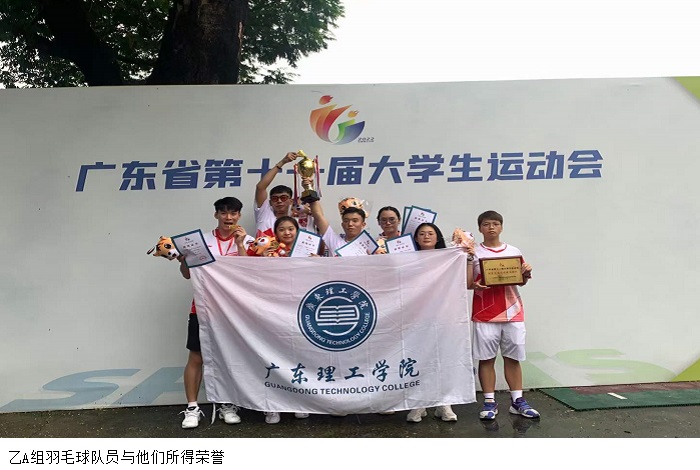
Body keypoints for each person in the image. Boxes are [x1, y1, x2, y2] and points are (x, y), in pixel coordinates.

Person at [178, 196, 252, 429]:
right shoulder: (201, 241)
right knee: (196, 357)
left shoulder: (248, 240)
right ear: (216, 215)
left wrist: (240, 245)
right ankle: (192, 407)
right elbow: (187, 274)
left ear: (239, 215)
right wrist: (184, 260)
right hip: (202, 306)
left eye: (233, 213)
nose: (228, 217)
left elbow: (250, 274)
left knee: (229, 356)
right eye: (224, 212)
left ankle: (226, 403)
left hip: (232, 309)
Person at [470, 210, 539, 421]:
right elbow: (467, 283)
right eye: (486, 224)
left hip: (512, 312)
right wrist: (474, 284)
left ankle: (517, 401)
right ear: (480, 228)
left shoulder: (513, 251)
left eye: (495, 223)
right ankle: (489, 401)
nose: (491, 227)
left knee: (513, 358)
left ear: (501, 227)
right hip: (485, 313)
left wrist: (526, 273)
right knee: (486, 359)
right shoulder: (473, 252)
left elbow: (521, 280)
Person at [404, 222, 474, 423]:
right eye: (422, 233)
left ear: (437, 237)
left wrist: (468, 257)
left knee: (443, 358)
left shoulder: (448, 258)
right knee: (419, 358)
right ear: (415, 238)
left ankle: (444, 403)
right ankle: (419, 403)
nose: (426, 236)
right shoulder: (408, 260)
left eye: (430, 233)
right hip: (417, 316)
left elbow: (466, 282)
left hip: (444, 316)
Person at [254, 151, 314, 234]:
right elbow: (260, 187)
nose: (279, 201)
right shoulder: (265, 214)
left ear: (291, 201)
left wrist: (309, 187)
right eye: (275, 199)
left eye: (283, 198)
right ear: (270, 202)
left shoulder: (298, 219)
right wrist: (282, 162)